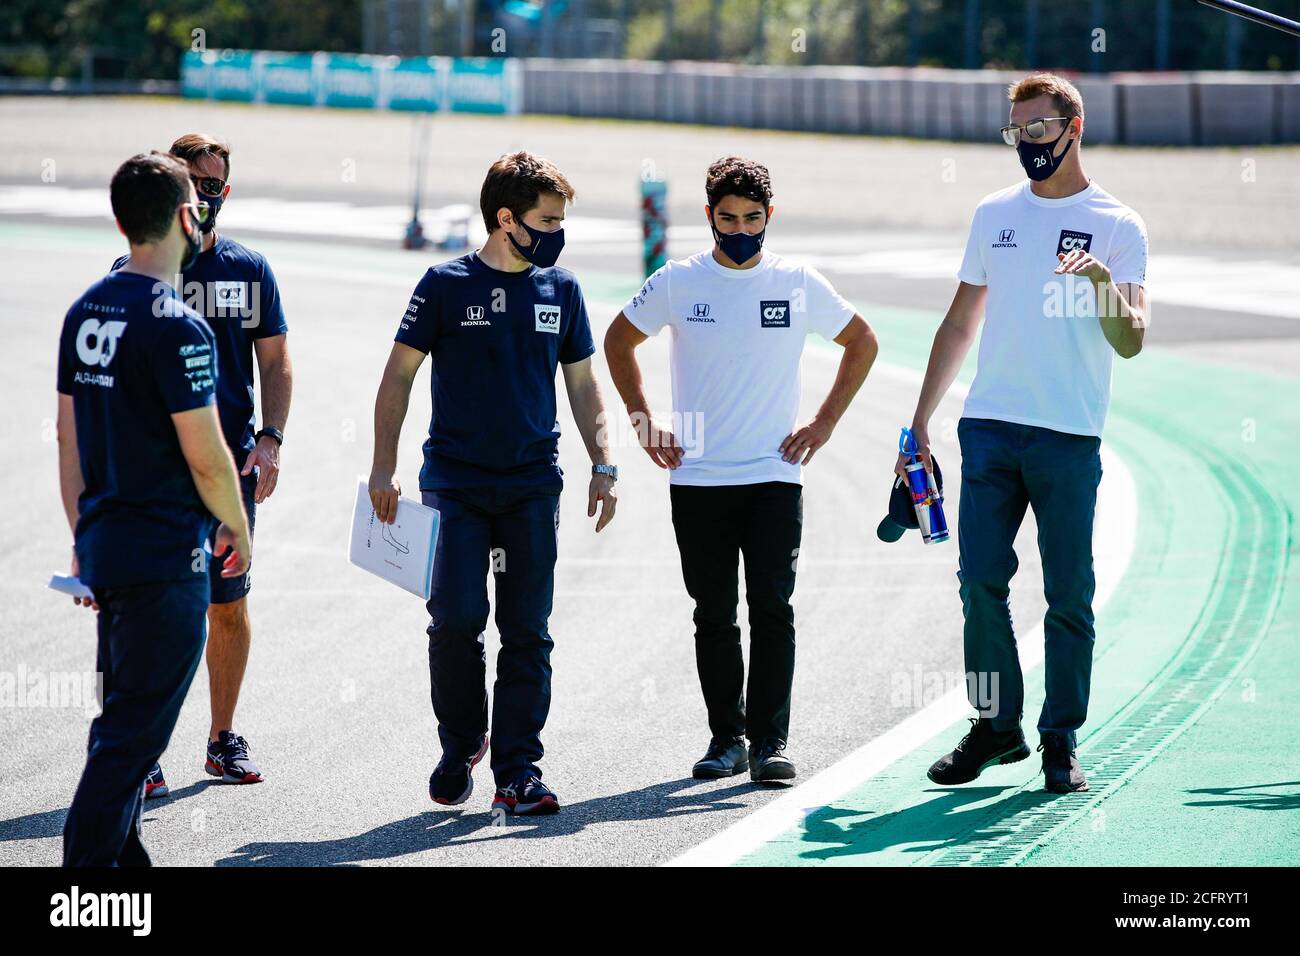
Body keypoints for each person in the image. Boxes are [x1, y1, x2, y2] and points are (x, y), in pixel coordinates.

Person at [903, 73, 1148, 794]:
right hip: (987, 428)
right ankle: (995, 724)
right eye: (1017, 132)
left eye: (1038, 129)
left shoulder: (1119, 224)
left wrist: (1103, 280)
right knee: (979, 580)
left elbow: (1131, 340)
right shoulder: (993, 214)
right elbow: (958, 322)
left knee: (1068, 593)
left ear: (1074, 126)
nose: (1027, 144)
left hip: (1068, 434)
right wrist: (920, 419)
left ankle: (1060, 739)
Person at [604, 156, 878, 783]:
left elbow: (862, 341)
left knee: (773, 608)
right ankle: (726, 739)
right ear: (708, 217)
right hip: (697, 478)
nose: (740, 228)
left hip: (774, 475)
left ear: (769, 217)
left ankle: (771, 743)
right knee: (714, 613)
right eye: (726, 218)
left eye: (752, 218)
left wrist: (825, 422)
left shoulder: (799, 281)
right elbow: (618, 340)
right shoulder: (677, 281)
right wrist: (642, 419)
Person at [369, 151, 617, 815]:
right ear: (506, 219)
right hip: (454, 483)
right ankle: (461, 743)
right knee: (455, 621)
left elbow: (585, 384)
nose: (557, 232)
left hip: (535, 484)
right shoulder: (443, 285)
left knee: (528, 631)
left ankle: (517, 771)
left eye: (562, 220)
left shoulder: (560, 290)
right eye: (547, 220)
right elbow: (399, 375)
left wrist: (604, 462)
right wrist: (382, 466)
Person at [58, 152, 251, 865]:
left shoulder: (87, 309)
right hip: (166, 557)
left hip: (110, 547)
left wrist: (85, 537)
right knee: (131, 738)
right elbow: (207, 456)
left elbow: (67, 441)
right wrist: (235, 524)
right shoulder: (177, 324)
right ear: (185, 215)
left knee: (121, 725)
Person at [112, 134, 292, 796]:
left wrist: (270, 437)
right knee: (156, 612)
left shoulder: (251, 271)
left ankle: (221, 739)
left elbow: (274, 360)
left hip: (229, 472)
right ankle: (144, 746)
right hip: (155, 476)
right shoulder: (134, 272)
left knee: (228, 606)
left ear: (224, 193)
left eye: (213, 185)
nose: (203, 197)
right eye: (192, 183)